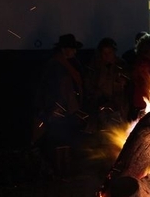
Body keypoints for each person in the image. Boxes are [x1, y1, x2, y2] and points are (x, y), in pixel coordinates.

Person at [33, 33, 86, 175]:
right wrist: (55, 108)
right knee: (59, 140)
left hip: (68, 109)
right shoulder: (55, 66)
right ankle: (61, 171)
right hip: (59, 111)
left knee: (66, 139)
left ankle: (65, 170)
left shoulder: (70, 64)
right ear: (64, 49)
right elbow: (52, 90)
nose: (74, 52)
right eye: (71, 48)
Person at [84, 37, 130, 131]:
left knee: (118, 133)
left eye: (109, 53)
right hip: (99, 105)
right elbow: (88, 84)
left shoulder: (121, 65)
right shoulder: (95, 67)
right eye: (104, 53)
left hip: (118, 106)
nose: (107, 56)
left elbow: (128, 84)